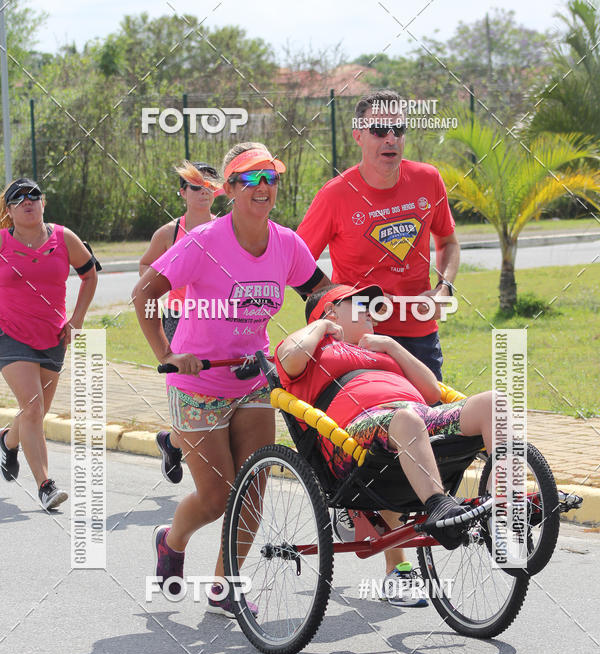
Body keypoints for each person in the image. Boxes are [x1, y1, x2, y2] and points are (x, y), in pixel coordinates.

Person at [132, 141, 329, 617]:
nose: (264, 188)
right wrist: (168, 353)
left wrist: (330, 320)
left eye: (271, 178)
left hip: (253, 378)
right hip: (198, 384)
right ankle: (172, 539)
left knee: (256, 484)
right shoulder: (204, 242)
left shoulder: (286, 243)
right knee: (218, 496)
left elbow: (319, 291)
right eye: (251, 179)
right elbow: (145, 294)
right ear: (232, 188)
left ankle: (226, 585)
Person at [297, 88, 461, 598]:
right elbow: (298, 263)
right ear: (358, 136)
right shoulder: (337, 194)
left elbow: (448, 242)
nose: (391, 139)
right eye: (380, 130)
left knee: (433, 432)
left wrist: (444, 286)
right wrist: (337, 307)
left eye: (399, 130)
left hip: (419, 337)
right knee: (386, 439)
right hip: (363, 346)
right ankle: (398, 567)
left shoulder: (427, 180)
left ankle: (394, 514)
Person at [275, 284, 493, 560]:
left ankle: (506, 506)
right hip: (355, 436)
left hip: (415, 419)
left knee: (493, 404)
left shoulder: (383, 351)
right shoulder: (313, 349)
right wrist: (321, 327)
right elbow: (290, 358)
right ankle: (439, 506)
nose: (371, 313)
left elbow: (431, 392)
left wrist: (391, 346)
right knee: (405, 420)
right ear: (330, 312)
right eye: (359, 305)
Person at [0, 177, 98, 509]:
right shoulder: (1, 242)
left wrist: (77, 320)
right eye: (18, 198)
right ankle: (46, 486)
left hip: (53, 337)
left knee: (34, 414)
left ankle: (7, 442)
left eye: (34, 196)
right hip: (10, 336)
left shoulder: (63, 237)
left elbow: (90, 275)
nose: (28, 201)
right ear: (10, 211)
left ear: (44, 204)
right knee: (32, 407)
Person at [139, 161, 223, 484]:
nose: (203, 192)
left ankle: (171, 442)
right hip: (178, 319)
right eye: (195, 186)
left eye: (208, 186)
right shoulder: (170, 232)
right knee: (192, 392)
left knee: (215, 393)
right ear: (182, 192)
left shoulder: (227, 228)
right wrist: (156, 294)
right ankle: (178, 441)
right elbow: (146, 265)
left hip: (217, 317)